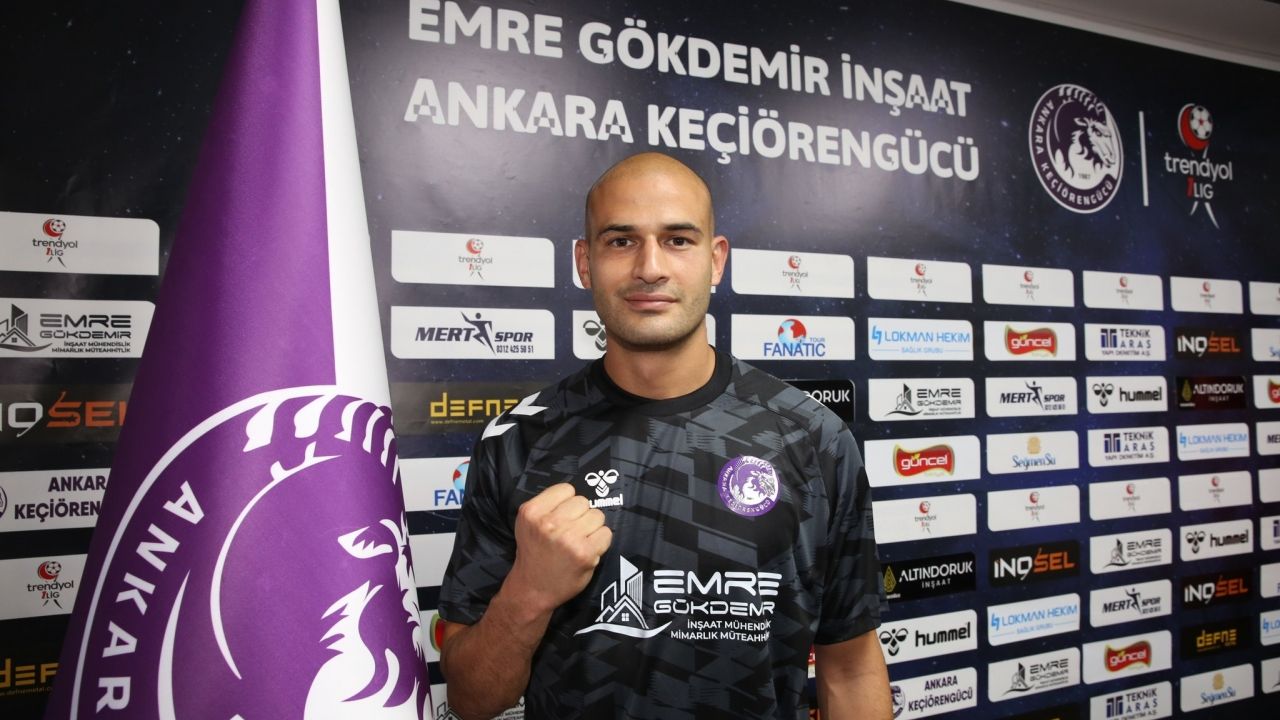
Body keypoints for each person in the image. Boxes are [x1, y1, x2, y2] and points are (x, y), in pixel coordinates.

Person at [436, 152, 889, 719]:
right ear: (584, 262)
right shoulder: (519, 440)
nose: (650, 267)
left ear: (715, 260)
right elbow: (472, 700)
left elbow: (851, 668)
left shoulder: (812, 438)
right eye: (621, 241)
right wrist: (529, 592)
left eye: (678, 240)